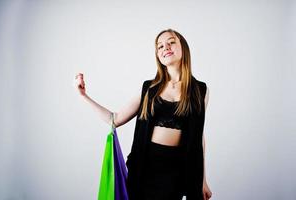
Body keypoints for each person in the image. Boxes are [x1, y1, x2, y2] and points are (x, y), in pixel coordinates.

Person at [74, 28, 212, 200]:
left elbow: (199, 136)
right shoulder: (150, 88)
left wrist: (203, 180)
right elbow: (114, 119)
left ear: (183, 47)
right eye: (160, 46)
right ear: (158, 56)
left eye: (171, 42)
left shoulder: (200, 90)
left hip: (177, 170)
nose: (165, 47)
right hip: (145, 166)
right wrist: (83, 96)